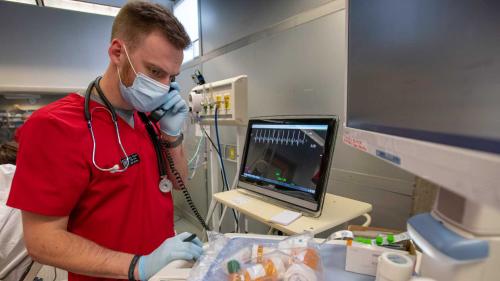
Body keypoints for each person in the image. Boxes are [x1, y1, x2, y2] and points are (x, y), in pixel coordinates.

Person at [6, 2, 203, 281]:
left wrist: (171, 135)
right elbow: (42, 242)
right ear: (117, 52)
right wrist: (138, 265)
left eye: (172, 77)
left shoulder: (150, 118)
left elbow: (179, 182)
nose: (163, 86)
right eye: (155, 72)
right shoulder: (53, 126)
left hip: (163, 272)